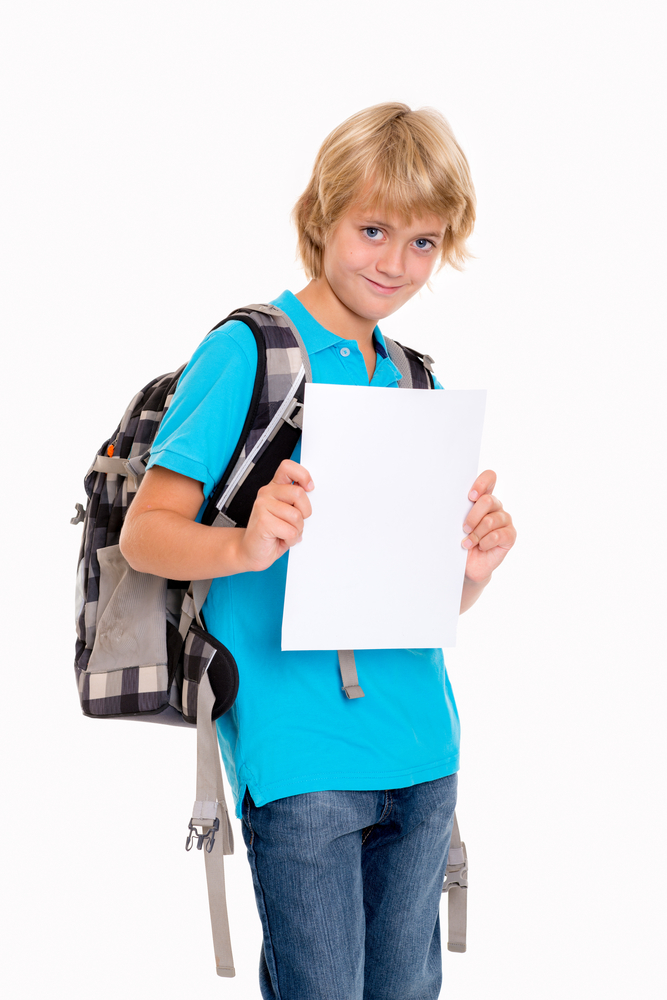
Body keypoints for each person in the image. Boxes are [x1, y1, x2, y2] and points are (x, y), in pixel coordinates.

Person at [120, 102, 517, 1000]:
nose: (393, 263)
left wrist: (470, 573)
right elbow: (148, 534)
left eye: (422, 241)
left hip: (422, 746)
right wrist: (248, 542)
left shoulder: (416, 376)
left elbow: (414, 599)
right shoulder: (251, 351)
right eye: (372, 230)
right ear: (321, 218)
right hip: (298, 755)